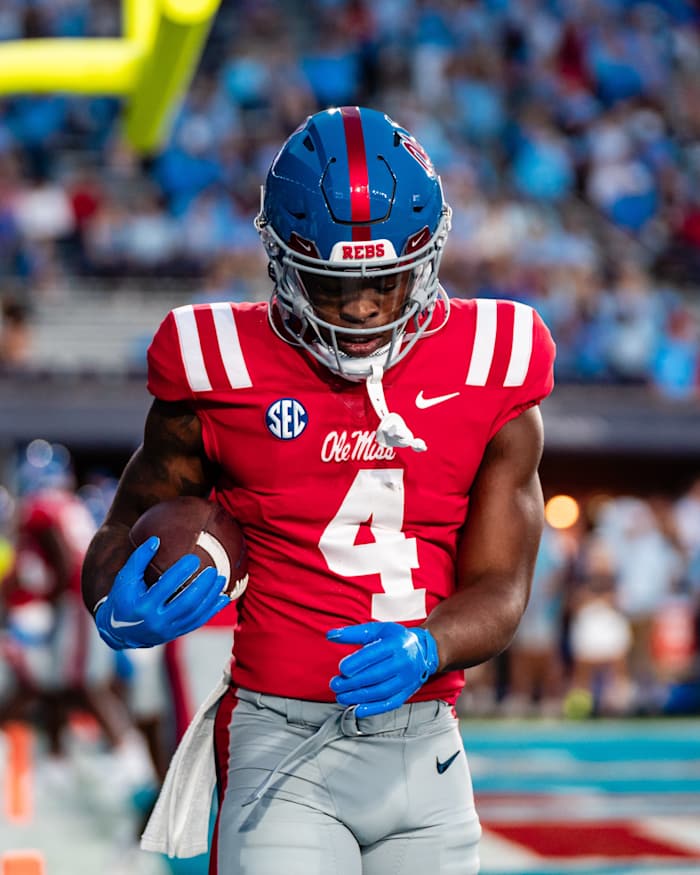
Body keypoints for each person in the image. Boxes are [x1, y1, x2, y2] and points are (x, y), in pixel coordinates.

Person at [81, 106, 555, 875]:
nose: (364, 307)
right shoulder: (216, 362)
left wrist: (427, 642)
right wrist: (110, 597)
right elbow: (124, 523)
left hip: (427, 746)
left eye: (385, 280)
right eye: (335, 284)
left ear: (428, 257)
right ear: (282, 260)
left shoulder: (493, 361)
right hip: (282, 743)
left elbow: (503, 584)